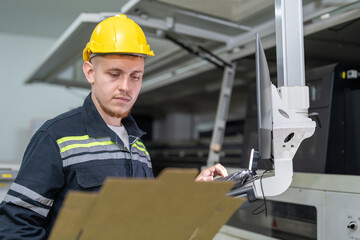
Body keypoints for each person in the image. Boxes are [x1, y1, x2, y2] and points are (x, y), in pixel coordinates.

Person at [0, 14, 228, 239]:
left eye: (135, 76)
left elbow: (144, 215)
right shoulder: (55, 137)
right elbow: (15, 228)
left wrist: (191, 194)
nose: (125, 87)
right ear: (90, 72)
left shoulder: (138, 146)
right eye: (114, 74)